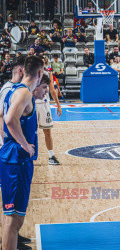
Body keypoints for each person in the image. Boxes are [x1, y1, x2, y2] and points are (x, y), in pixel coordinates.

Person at [0, 55, 44, 250]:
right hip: (15, 160)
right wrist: (25, 145)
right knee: (12, 219)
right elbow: (9, 120)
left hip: (17, 159)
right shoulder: (24, 92)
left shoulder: (19, 90)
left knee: (15, 218)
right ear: (40, 73)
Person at [35, 59, 63, 165]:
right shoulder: (30, 73)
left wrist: (58, 105)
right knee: (29, 132)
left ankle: (51, 156)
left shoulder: (47, 74)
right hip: (32, 105)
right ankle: (27, 156)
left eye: (43, 62)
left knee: (47, 131)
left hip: (44, 105)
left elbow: (52, 90)